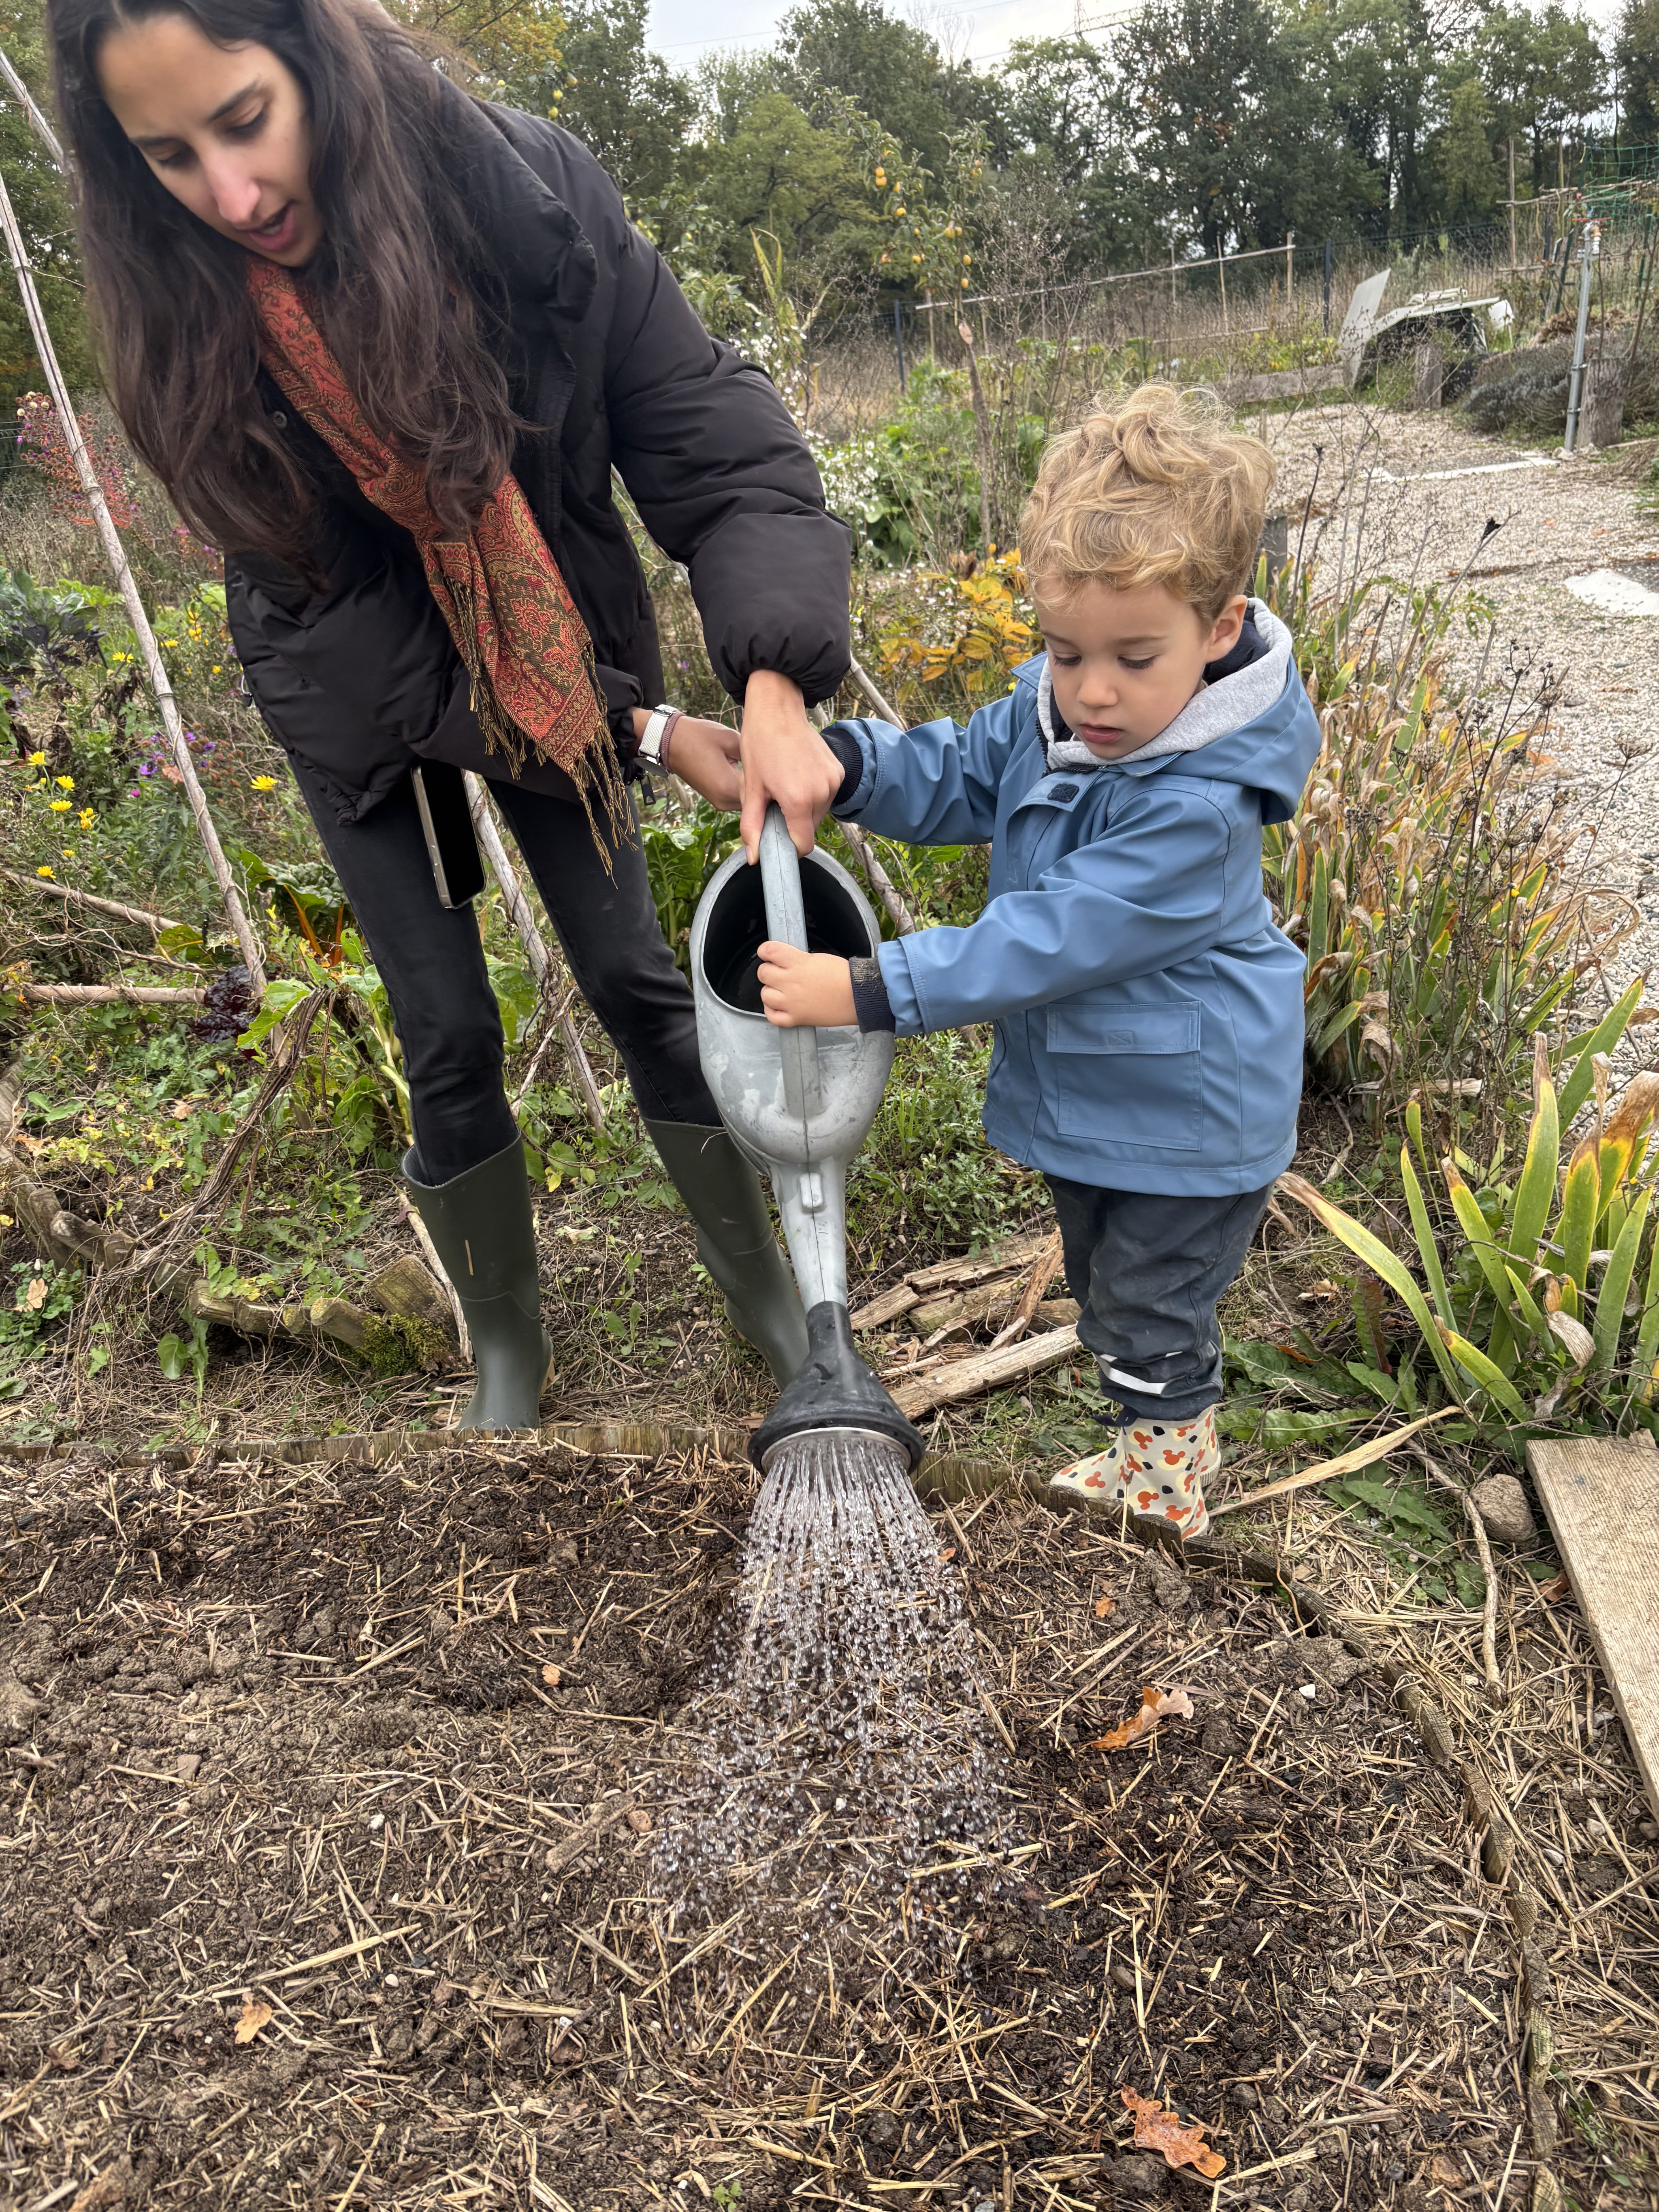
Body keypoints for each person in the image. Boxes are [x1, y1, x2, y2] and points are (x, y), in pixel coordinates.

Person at [49, 0, 852, 1427]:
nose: (231, 194)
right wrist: (644, 732)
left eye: (245, 120)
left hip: (549, 641)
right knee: (447, 1030)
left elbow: (713, 440)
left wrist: (776, 683)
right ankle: (507, 1351)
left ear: (313, 56)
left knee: (638, 984)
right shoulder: (182, 314)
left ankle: (771, 1306)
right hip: (353, 682)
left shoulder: (522, 202)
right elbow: (368, 638)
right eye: (170, 157)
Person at [755, 385, 1321, 1540]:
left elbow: (1052, 934)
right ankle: (1151, 1433)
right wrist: (844, 768)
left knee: (1150, 1306)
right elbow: (958, 772)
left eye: (1133, 657)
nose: (1094, 690)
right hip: (1107, 1096)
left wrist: (867, 990)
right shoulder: (1056, 715)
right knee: (1106, 1285)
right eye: (1066, 652)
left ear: (1220, 631)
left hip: (1192, 1115)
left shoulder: (1201, 811)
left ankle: (1164, 1486)